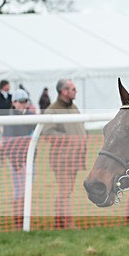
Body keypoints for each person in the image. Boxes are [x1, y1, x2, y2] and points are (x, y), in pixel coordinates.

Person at [42, 79, 87, 229]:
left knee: (67, 191)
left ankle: (60, 222)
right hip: (62, 159)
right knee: (65, 191)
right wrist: (68, 139)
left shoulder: (74, 107)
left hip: (75, 157)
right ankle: (66, 223)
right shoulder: (52, 110)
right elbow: (47, 133)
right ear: (64, 91)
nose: (76, 91)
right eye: (73, 89)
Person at [1, 89, 35, 229]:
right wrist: (16, 163)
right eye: (19, 101)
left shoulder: (31, 116)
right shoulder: (10, 119)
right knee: (19, 192)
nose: (22, 104)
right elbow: (8, 143)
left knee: (27, 191)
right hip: (17, 161)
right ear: (13, 103)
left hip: (29, 160)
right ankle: (18, 222)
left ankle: (25, 220)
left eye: (25, 101)